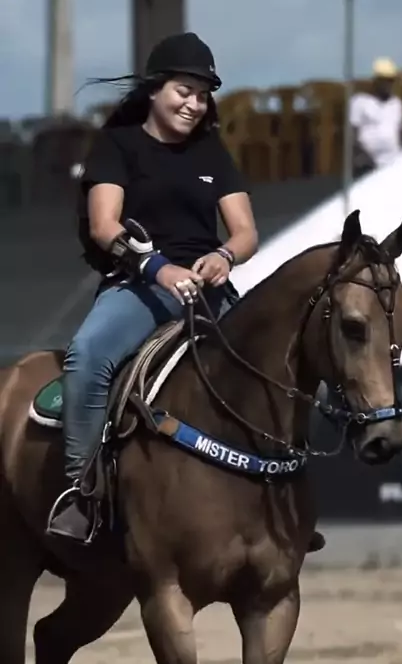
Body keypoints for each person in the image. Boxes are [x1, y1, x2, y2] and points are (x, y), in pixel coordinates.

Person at [46, 32, 260, 541]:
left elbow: (246, 232)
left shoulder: (211, 151)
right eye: (184, 91)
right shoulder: (117, 145)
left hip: (208, 291)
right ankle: (82, 494)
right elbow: (104, 226)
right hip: (139, 284)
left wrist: (224, 256)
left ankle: (280, 493)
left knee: (276, 358)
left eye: (202, 95)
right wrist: (158, 268)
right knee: (88, 355)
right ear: (154, 90)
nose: (194, 104)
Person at [349, 57, 402, 174]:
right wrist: (363, 156)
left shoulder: (397, 104)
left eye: (391, 80)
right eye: (384, 80)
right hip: (367, 162)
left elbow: (400, 133)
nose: (388, 84)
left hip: (392, 161)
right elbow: (351, 135)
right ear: (375, 81)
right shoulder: (360, 101)